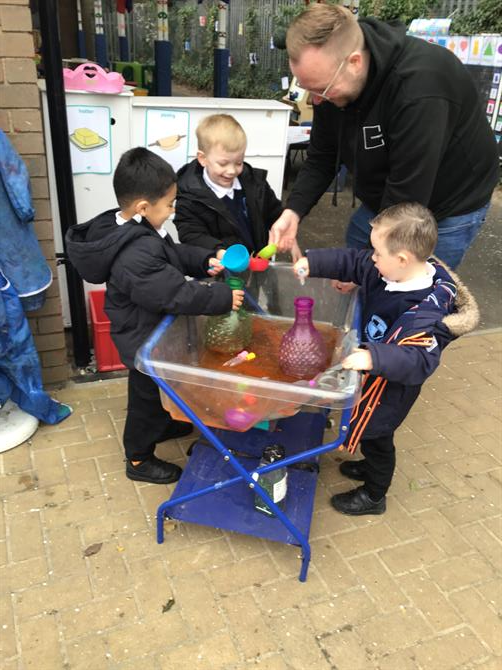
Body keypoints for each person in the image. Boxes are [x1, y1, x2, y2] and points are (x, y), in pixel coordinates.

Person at [270, 4, 499, 270]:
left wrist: (362, 269)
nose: (316, 100)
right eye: (307, 88)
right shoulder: (328, 81)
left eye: (321, 89)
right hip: (386, 193)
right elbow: (322, 156)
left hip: (448, 201)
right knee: (360, 266)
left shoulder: (420, 88)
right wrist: (293, 211)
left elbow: (407, 196)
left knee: (409, 286)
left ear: (355, 62)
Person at [66, 148, 244, 485]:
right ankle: (138, 457)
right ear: (143, 207)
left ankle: (163, 425)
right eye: (170, 205)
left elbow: (171, 255)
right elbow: (173, 293)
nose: (173, 211)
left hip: (151, 330)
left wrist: (204, 259)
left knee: (163, 388)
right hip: (141, 338)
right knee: (146, 400)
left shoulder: (140, 229)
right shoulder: (133, 253)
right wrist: (222, 297)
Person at [293, 202, 479, 515]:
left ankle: (374, 495)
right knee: (370, 436)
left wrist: (372, 358)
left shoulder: (425, 311)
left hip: (390, 391)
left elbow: (419, 360)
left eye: (378, 253)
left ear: (402, 259)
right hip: (374, 373)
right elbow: (354, 261)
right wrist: (312, 262)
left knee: (377, 438)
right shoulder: (390, 270)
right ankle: (369, 466)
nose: (372, 258)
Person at [174, 113, 295, 258]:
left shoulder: (255, 184)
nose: (231, 171)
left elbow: (275, 213)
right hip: (218, 266)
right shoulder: (190, 196)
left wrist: (284, 232)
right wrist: (219, 252)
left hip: (257, 262)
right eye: (223, 164)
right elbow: (191, 234)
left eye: (239, 162)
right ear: (203, 158)